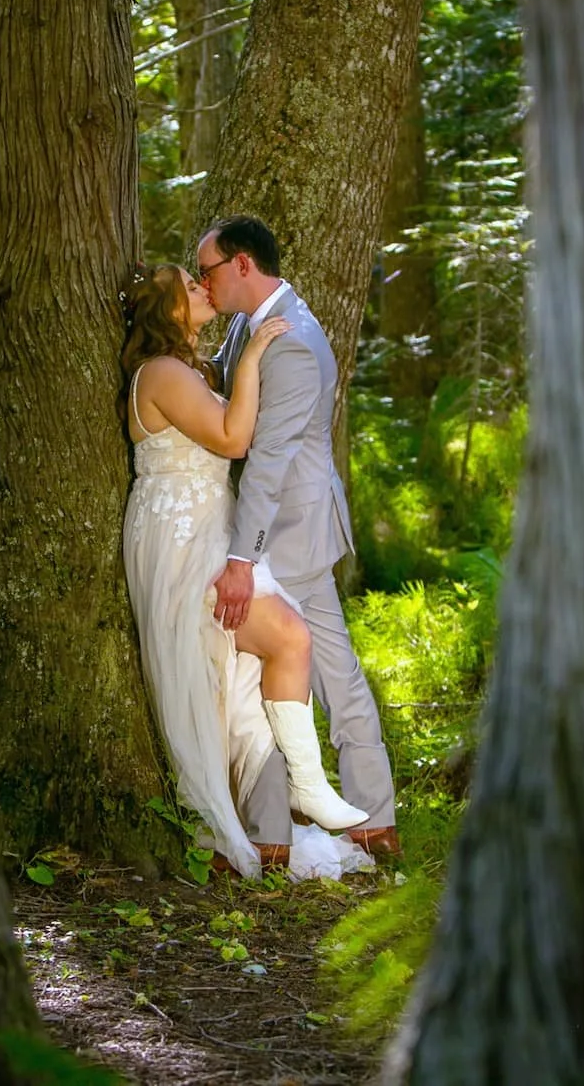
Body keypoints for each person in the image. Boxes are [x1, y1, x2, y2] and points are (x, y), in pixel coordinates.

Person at [120, 263, 374, 879]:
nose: (202, 288)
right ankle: (305, 788)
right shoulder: (160, 373)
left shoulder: (188, 371)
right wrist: (257, 350)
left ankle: (275, 819)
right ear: (167, 311)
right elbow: (236, 439)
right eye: (189, 284)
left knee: (246, 670)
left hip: (210, 530)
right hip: (183, 540)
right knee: (288, 635)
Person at [198, 215, 399, 862]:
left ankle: (371, 821)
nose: (205, 280)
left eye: (209, 269)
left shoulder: (290, 341)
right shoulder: (245, 326)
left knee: (333, 675)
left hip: (295, 532)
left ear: (244, 266)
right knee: (281, 670)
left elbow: (268, 459)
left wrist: (238, 558)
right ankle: (278, 826)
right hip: (269, 527)